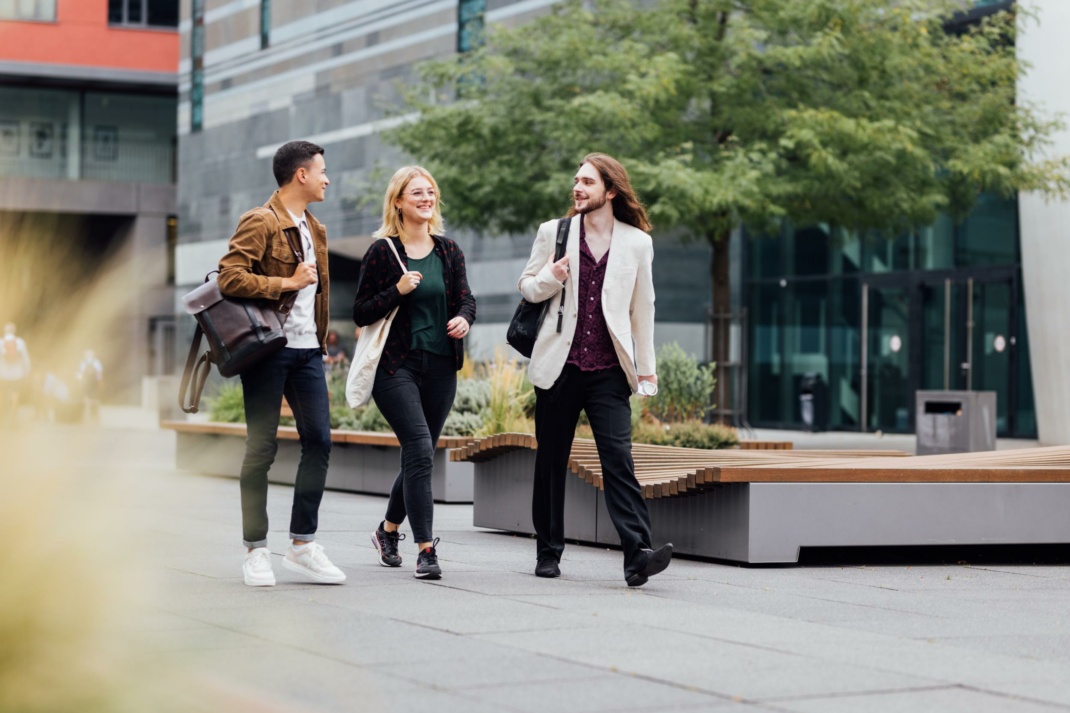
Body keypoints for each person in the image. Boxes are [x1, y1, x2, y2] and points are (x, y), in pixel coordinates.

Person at [518, 153, 672, 587]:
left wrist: (647, 368)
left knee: (619, 460)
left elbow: (644, 310)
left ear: (611, 190)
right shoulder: (554, 233)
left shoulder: (637, 243)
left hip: (607, 370)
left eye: (587, 181)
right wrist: (551, 276)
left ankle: (637, 555)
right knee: (550, 462)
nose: (577, 187)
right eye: (576, 180)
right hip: (559, 366)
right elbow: (528, 288)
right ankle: (548, 552)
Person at [217, 140, 345, 587]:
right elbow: (230, 275)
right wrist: (285, 281)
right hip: (269, 350)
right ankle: (255, 550)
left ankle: (302, 545)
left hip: (308, 349)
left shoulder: (315, 228)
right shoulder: (261, 220)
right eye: (322, 170)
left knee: (320, 442)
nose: (328, 178)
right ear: (301, 175)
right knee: (262, 448)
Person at [354, 166, 476, 580]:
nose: (426, 198)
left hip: (441, 366)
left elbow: (467, 299)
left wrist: (463, 318)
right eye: (417, 193)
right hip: (396, 367)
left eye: (431, 192)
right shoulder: (382, 251)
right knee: (421, 448)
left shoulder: (448, 250)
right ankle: (426, 549)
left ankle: (388, 531)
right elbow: (360, 311)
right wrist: (397, 291)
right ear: (399, 202)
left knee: (418, 455)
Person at [0, 323, 31, 427]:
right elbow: (25, 359)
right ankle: (13, 418)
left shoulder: (0, 342)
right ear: (14, 331)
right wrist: (27, 372)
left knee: (2, 396)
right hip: (17, 375)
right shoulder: (20, 342)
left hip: (2, 374)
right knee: (15, 395)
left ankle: (1, 418)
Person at [75, 349, 103, 422]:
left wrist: (99, 382)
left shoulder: (95, 362)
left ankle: (94, 414)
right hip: (87, 383)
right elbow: (80, 373)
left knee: (93, 398)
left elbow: (99, 373)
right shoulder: (83, 363)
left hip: (92, 383)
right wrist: (79, 381)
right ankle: (88, 414)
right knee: (87, 398)